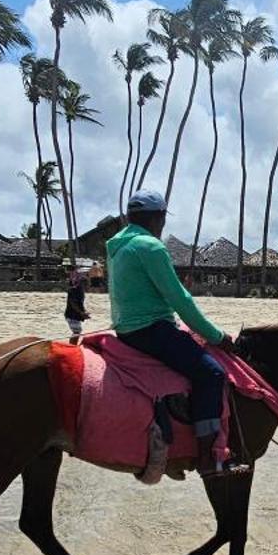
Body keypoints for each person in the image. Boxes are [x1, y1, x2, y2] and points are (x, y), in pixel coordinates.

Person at [106, 191, 234, 471]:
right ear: (158, 218)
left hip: (125, 330)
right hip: (151, 330)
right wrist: (216, 336)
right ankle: (207, 456)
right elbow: (180, 299)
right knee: (211, 373)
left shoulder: (116, 246)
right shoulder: (150, 247)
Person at [63, 269, 89, 342]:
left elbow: (79, 303)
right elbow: (73, 303)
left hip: (75, 314)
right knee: (76, 332)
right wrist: (81, 313)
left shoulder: (80, 290)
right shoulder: (75, 290)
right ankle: (72, 347)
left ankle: (72, 346)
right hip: (72, 314)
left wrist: (84, 311)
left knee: (77, 332)